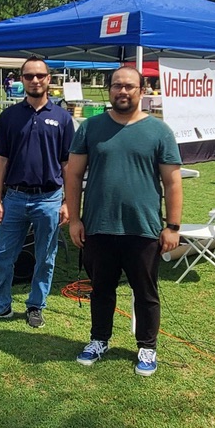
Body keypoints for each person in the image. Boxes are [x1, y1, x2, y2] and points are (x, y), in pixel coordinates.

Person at [63, 65, 183, 374]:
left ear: (142, 91)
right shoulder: (90, 128)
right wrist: (74, 220)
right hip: (99, 226)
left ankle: (147, 347)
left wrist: (172, 227)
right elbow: (73, 175)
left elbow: (173, 182)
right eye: (117, 85)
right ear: (109, 90)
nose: (123, 91)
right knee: (101, 289)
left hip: (142, 229)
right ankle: (99, 339)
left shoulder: (159, 132)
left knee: (145, 292)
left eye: (130, 86)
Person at [0, 57, 74, 329]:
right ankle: (0, 305)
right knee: (3, 253)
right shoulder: (9, 116)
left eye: (40, 75)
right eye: (29, 76)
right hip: (14, 197)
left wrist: (67, 201)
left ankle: (36, 305)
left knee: (45, 257)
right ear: (22, 80)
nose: (35, 80)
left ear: (49, 79)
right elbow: (1, 161)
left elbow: (67, 165)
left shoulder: (62, 118)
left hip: (49, 199)